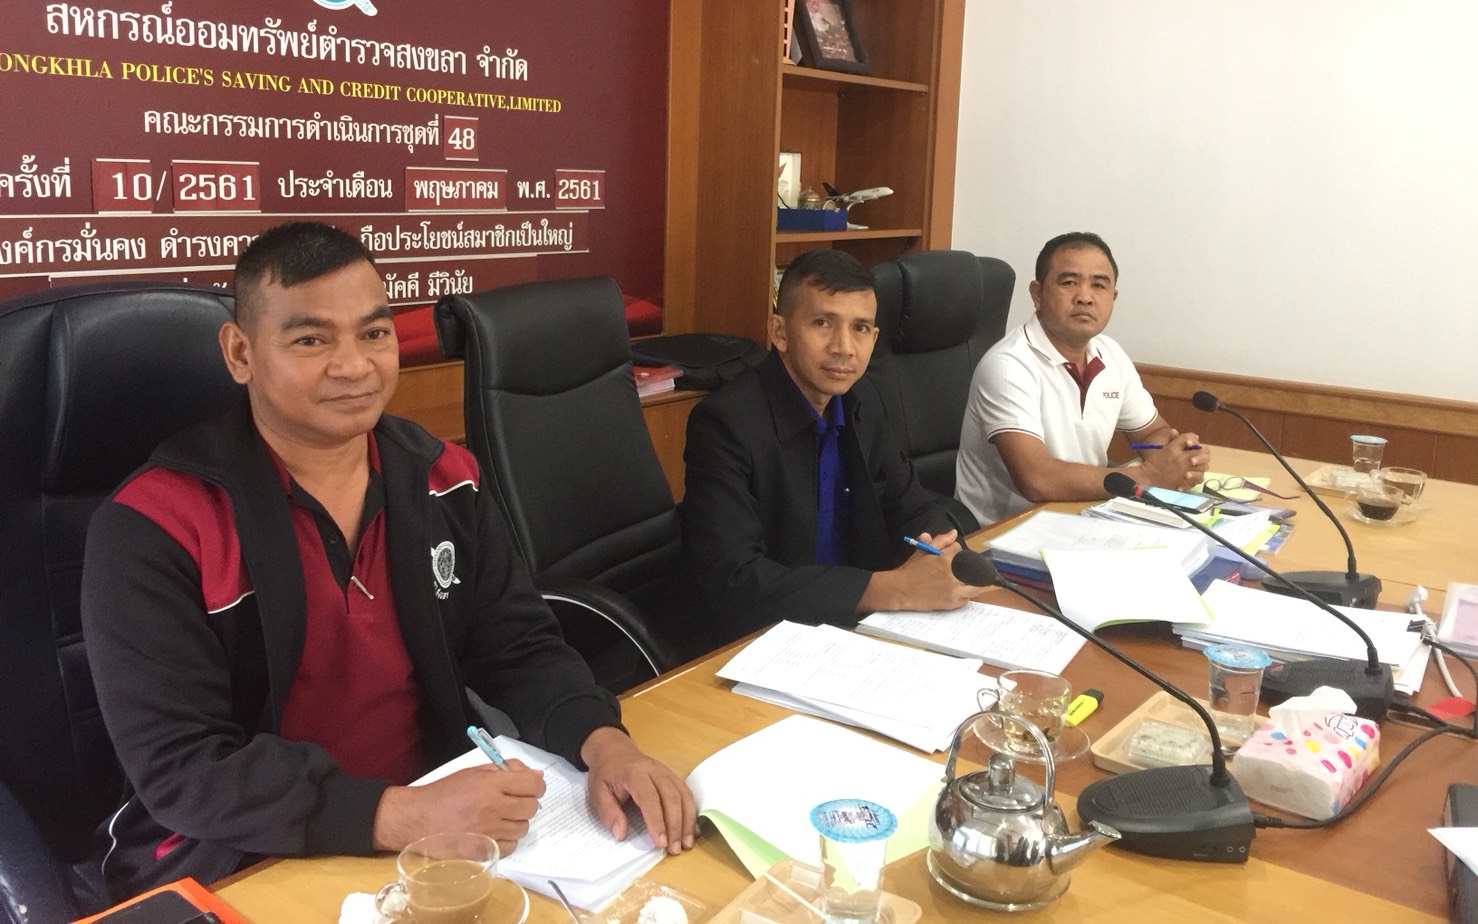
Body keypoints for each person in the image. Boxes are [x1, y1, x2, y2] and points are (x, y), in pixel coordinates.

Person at [81, 222, 695, 901]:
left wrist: (606, 744)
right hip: (240, 856)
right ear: (240, 353)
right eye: (311, 340)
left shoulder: (445, 479)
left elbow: (518, 646)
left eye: (373, 333)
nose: (354, 366)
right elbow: (185, 767)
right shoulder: (156, 526)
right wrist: (402, 815)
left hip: (434, 833)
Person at [680, 249, 987, 642]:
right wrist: (893, 588)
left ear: (874, 339)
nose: (844, 347)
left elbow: (912, 504)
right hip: (764, 635)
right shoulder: (725, 423)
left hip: (855, 624)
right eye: (823, 323)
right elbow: (735, 580)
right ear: (780, 333)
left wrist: (945, 553)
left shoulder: (864, 399)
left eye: (860, 328)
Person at [955, 231, 1210, 526]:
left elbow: (1151, 432)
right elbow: (1036, 479)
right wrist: (1148, 476)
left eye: (1099, 285)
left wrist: (1179, 455)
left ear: (1113, 297)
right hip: (1005, 531)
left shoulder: (1110, 354)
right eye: (1069, 283)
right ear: (1037, 294)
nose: (1085, 297)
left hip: (1085, 516)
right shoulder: (1009, 365)